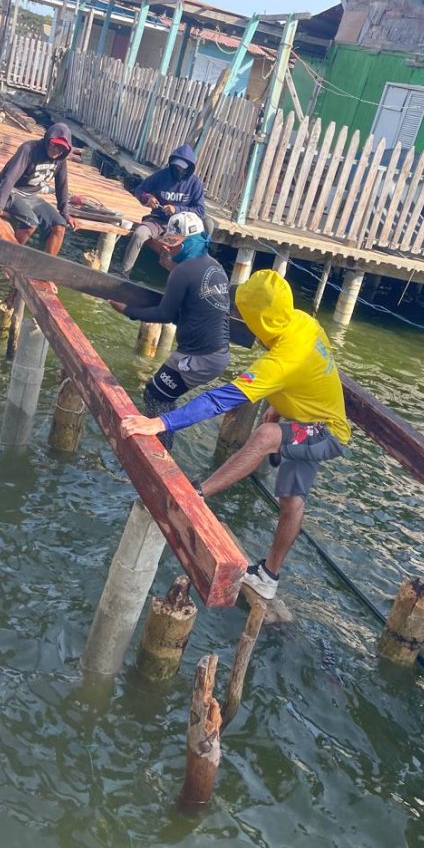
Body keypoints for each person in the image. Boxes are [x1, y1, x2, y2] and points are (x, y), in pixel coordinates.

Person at [121, 269, 351, 599]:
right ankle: (268, 577)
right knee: (291, 500)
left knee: (266, 436)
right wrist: (279, 407)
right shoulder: (301, 320)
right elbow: (309, 372)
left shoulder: (281, 361)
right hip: (305, 421)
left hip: (327, 433)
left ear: (260, 320)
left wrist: (161, 423)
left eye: (243, 313)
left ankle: (198, 493)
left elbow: (219, 399)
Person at [110, 212, 229, 448]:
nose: (169, 249)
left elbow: (165, 314)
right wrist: (172, 267)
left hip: (199, 357)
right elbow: (183, 307)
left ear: (189, 242)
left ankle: (160, 453)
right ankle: (161, 445)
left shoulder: (182, 272)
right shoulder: (215, 267)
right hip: (216, 352)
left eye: (175, 245)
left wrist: (127, 310)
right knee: (164, 394)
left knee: (155, 395)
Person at [0, 122, 77, 256]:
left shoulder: (60, 159)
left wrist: (65, 214)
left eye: (61, 149)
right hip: (11, 192)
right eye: (54, 145)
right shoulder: (29, 149)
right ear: (48, 140)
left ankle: (46, 265)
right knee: (31, 222)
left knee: (60, 226)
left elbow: (62, 186)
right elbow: (9, 178)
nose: (56, 150)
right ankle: (7, 256)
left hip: (30, 196)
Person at [120, 143, 206, 276]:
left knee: (188, 249)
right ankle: (124, 273)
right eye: (176, 166)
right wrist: (148, 198)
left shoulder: (195, 183)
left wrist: (177, 209)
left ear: (189, 168)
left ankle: (184, 280)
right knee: (139, 234)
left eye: (182, 168)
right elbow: (139, 190)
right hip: (158, 220)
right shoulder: (161, 175)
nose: (178, 170)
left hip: (181, 227)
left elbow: (200, 210)